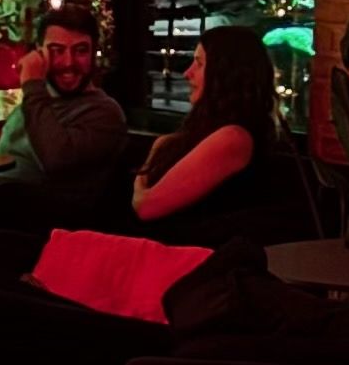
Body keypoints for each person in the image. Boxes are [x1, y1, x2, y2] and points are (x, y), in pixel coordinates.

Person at [125, 24, 308, 248]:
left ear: (225, 74)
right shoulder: (217, 131)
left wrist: (141, 180)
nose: (187, 72)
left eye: (199, 64)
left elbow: (146, 207)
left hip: (183, 261)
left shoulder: (233, 137)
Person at [2, 0, 137, 224]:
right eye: (57, 50)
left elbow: (56, 161)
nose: (68, 62)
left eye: (81, 51)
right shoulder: (39, 99)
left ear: (94, 53)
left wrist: (32, 85)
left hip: (27, 220)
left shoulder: (104, 112)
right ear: (39, 54)